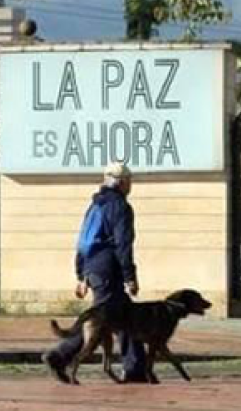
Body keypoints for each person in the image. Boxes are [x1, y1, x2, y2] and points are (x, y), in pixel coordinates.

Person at [41, 162, 147, 383]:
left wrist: (81, 273)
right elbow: (123, 244)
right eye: (129, 181)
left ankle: (135, 367)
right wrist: (129, 276)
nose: (131, 185)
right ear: (122, 182)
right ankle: (60, 356)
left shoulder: (95, 206)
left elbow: (83, 240)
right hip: (108, 269)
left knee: (125, 316)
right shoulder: (120, 206)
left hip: (93, 268)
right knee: (100, 319)